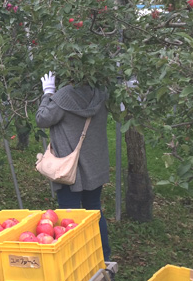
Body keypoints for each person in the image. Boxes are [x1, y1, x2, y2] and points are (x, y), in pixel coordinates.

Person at [35, 71, 112, 261]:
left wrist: (48, 93)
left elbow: (42, 119)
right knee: (94, 211)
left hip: (68, 168)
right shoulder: (100, 93)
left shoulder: (63, 96)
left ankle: (76, 261)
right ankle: (102, 258)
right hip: (94, 165)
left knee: (69, 215)